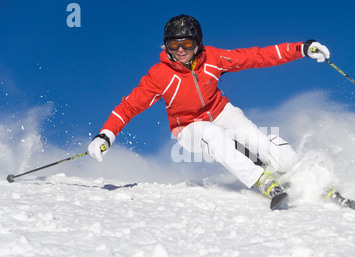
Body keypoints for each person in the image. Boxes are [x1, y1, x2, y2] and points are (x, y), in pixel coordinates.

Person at [88, 14, 330, 209]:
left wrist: (301, 49)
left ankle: (303, 174)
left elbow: (256, 56)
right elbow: (130, 105)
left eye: (187, 44)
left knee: (257, 141)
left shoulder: (213, 58)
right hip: (188, 127)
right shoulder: (160, 75)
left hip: (220, 111)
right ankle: (261, 180)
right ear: (166, 45)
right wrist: (106, 135)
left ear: (198, 44)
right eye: (174, 44)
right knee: (213, 136)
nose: (180, 50)